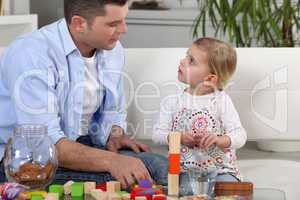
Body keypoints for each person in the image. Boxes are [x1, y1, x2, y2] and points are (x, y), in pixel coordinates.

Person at [0, 0, 168, 188]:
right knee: (145, 175)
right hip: (27, 162)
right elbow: (46, 146)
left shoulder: (112, 49)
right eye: (113, 24)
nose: (124, 29)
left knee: (158, 164)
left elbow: (112, 111)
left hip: (81, 144)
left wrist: (114, 135)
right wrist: (112, 161)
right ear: (79, 23)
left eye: (123, 20)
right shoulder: (31, 55)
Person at [153, 37, 247, 190]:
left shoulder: (221, 101)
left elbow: (240, 135)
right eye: (186, 55)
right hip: (184, 171)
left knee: (228, 190)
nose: (182, 61)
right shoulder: (172, 102)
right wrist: (179, 138)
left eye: (191, 61)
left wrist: (218, 139)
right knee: (185, 192)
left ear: (209, 78)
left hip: (220, 171)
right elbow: (157, 135)